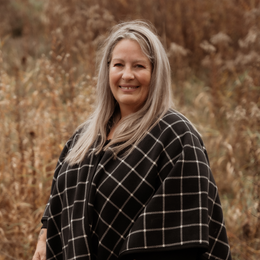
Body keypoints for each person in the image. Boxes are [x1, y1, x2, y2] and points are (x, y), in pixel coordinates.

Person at [32, 20, 232, 260]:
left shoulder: (175, 134)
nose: (127, 75)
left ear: (155, 73)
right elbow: (57, 196)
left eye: (139, 66)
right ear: (107, 70)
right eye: (119, 65)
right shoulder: (83, 137)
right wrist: (45, 236)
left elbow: (183, 233)